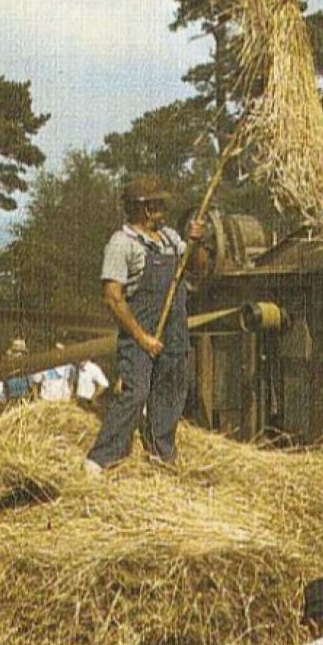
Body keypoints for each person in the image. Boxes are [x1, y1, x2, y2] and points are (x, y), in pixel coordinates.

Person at [83, 175, 208, 473]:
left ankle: (161, 457)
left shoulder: (170, 239)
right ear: (143, 208)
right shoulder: (121, 243)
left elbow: (198, 267)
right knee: (136, 392)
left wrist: (197, 243)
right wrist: (142, 338)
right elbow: (113, 298)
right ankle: (98, 460)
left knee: (170, 392)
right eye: (156, 203)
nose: (161, 208)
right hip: (139, 332)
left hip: (174, 331)